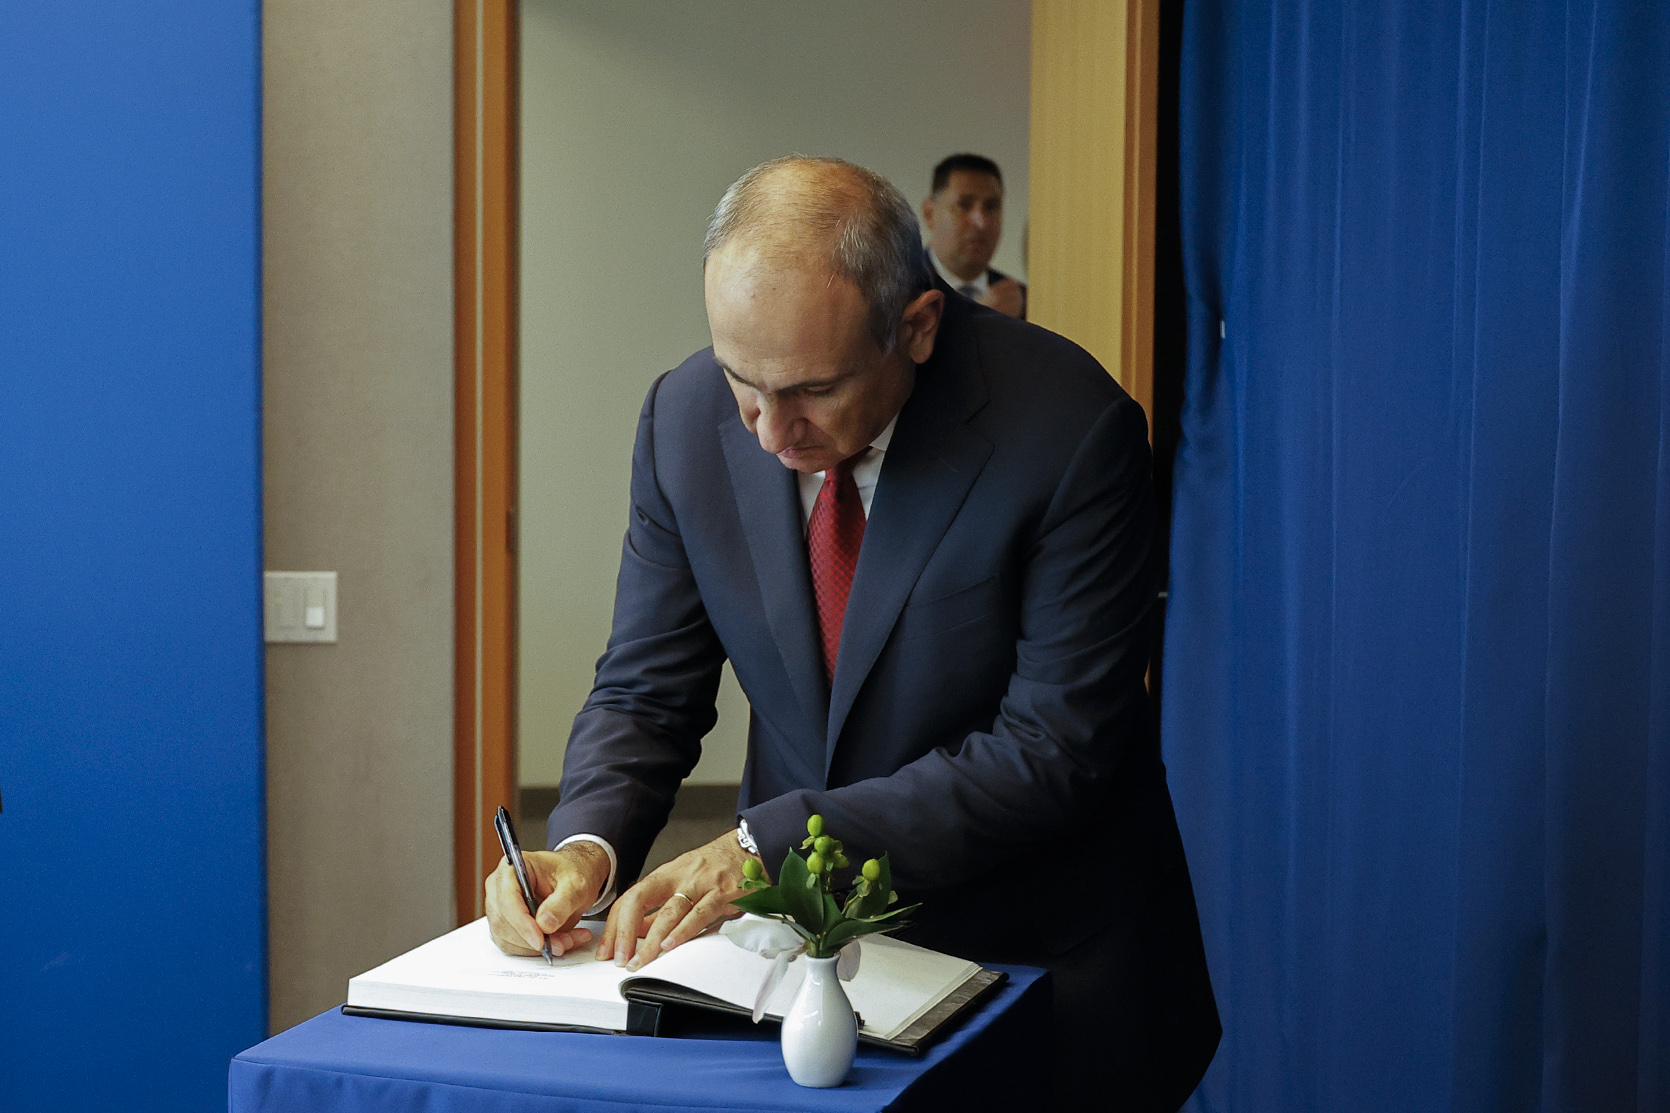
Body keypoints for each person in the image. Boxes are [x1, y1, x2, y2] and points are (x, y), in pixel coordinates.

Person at [485, 156, 1219, 1110]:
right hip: (796, 970)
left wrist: (767, 847)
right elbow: (644, 690)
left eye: (812, 391)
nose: (768, 431)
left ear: (917, 326)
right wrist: (587, 845)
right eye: (743, 381)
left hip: (1037, 962)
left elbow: (1053, 751)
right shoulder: (683, 418)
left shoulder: (1071, 430)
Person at [921, 152, 1027, 319]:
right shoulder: (896, 291)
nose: (981, 222)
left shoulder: (1023, 303)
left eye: (991, 207)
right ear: (929, 213)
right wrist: (982, 321)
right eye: (963, 205)